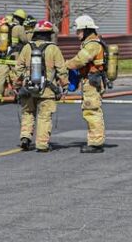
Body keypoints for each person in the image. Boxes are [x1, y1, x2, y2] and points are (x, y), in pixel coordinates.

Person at [13, 20, 67, 152]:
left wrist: (17, 84)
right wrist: (64, 85)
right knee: (44, 116)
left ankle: (25, 137)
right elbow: (62, 69)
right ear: (49, 34)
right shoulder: (53, 49)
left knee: (27, 112)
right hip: (47, 90)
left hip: (28, 88)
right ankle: (42, 144)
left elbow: (18, 68)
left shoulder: (27, 47)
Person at [64, 14, 109, 153]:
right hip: (90, 81)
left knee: (92, 111)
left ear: (86, 30)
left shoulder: (93, 45)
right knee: (90, 110)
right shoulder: (91, 43)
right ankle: (95, 140)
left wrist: (64, 65)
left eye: (79, 30)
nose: (77, 33)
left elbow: (80, 60)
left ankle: (96, 143)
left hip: (92, 82)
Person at [0, 9, 30, 104]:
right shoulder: (19, 28)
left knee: (0, 78)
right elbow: (25, 41)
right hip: (14, 57)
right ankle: (19, 97)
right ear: (22, 19)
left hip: (1, 56)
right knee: (17, 77)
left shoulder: (4, 27)